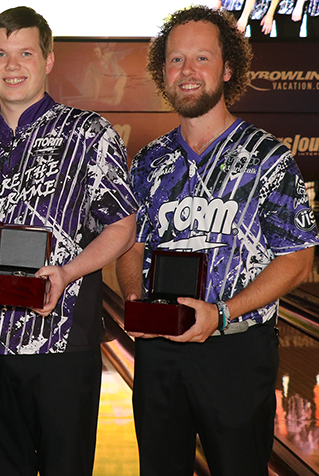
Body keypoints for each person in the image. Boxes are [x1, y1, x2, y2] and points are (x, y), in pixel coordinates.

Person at [115, 6, 318, 476]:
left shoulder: (267, 157)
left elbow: (297, 259)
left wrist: (223, 312)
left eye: (201, 58)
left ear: (228, 69)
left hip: (236, 350)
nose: (187, 72)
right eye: (175, 60)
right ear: (162, 72)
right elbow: (132, 247)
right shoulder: (149, 161)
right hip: (160, 351)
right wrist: (132, 300)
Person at [0, 6, 138, 476]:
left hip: (63, 348)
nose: (12, 66)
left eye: (26, 53)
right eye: (1, 54)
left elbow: (122, 225)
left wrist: (68, 271)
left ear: (49, 60)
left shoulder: (90, 133)